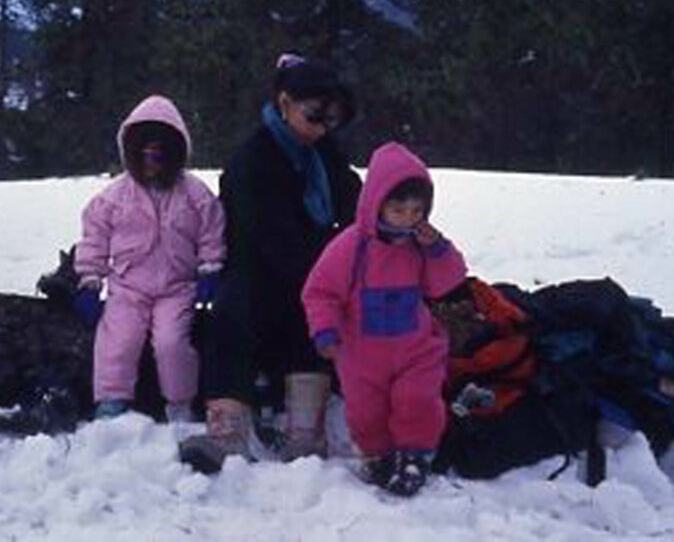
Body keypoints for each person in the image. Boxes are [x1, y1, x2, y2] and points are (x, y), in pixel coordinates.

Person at [179, 53, 362, 473]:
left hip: (311, 267)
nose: (323, 127)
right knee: (230, 316)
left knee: (317, 315)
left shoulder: (323, 153)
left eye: (331, 119)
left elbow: (354, 200)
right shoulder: (251, 159)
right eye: (315, 115)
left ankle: (305, 429)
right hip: (257, 269)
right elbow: (268, 235)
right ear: (284, 103)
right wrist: (322, 276)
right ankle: (227, 432)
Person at [302, 141, 468, 496]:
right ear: (376, 204)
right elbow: (319, 291)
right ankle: (378, 456)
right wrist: (325, 329)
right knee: (365, 412)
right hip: (362, 354)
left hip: (416, 349)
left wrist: (438, 250)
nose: (408, 218)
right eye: (398, 209)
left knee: (418, 399)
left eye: (416, 210)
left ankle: (415, 455)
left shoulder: (421, 246)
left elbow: (448, 281)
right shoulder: (351, 246)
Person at [75, 94, 226, 422]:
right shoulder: (113, 198)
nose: (151, 161)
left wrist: (210, 268)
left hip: (178, 288)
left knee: (172, 344)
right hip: (128, 288)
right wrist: (89, 280)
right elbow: (94, 240)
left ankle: (179, 404)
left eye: (160, 154)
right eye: (143, 154)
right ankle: (111, 403)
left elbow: (212, 233)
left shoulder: (196, 194)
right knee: (118, 341)